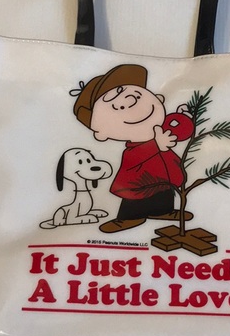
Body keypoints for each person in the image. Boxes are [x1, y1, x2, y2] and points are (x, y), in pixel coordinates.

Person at [72, 64, 192, 233]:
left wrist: (181, 117)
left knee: (164, 191)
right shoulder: (134, 149)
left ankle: (163, 211)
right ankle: (127, 218)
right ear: (101, 133)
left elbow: (177, 129)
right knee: (134, 198)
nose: (128, 101)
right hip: (138, 181)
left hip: (162, 176)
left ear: (158, 99)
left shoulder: (160, 133)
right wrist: (157, 145)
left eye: (123, 91)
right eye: (114, 105)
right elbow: (135, 157)